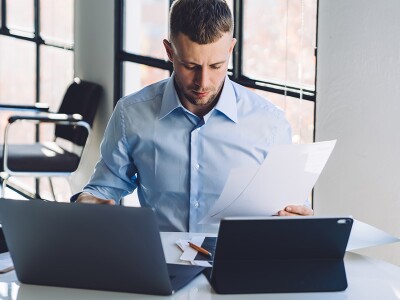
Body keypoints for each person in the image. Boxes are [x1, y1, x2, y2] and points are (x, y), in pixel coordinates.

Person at [74, 0, 313, 232]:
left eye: (216, 66)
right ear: (169, 51)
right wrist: (88, 201)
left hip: (238, 263)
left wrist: (297, 217)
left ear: (230, 49)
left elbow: (290, 207)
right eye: (190, 66)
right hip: (160, 263)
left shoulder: (270, 123)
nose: (203, 82)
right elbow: (104, 187)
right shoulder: (131, 113)